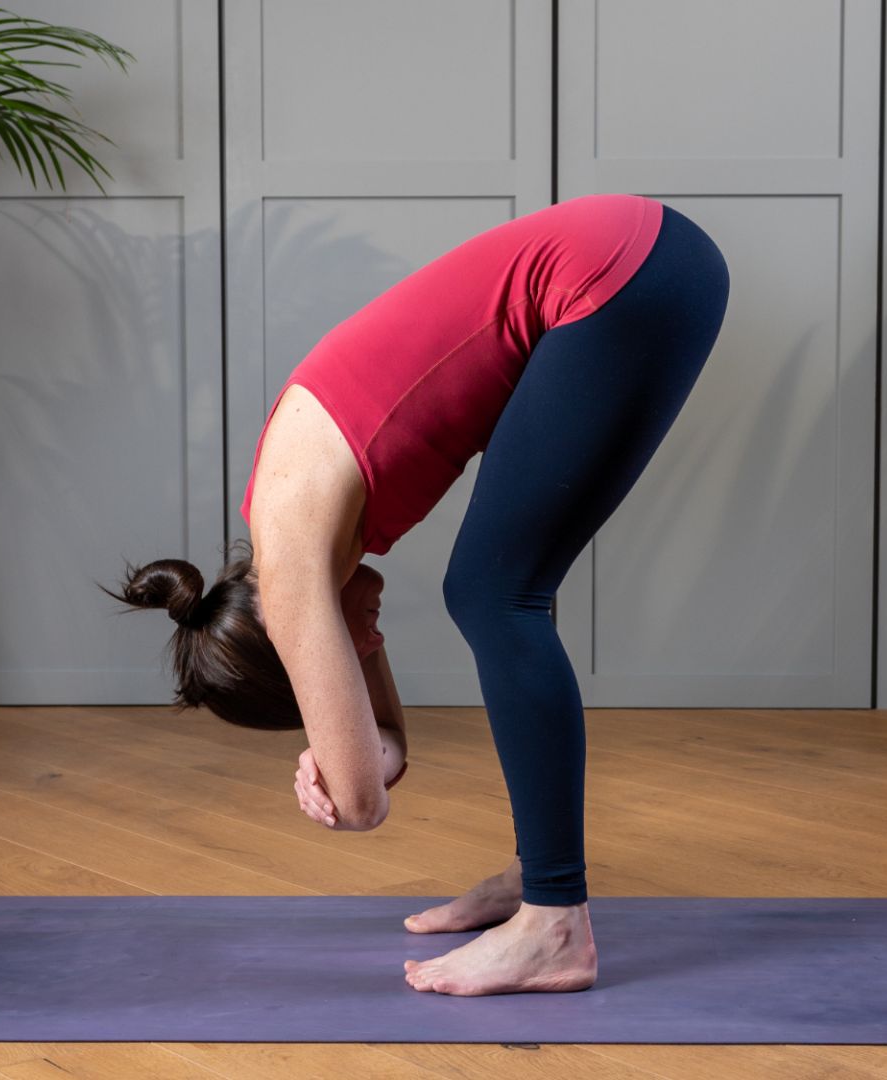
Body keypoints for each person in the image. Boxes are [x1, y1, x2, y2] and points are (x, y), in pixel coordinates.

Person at [109, 193, 730, 996]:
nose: (363, 638)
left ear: (295, 646)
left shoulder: (294, 561)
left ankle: (555, 925)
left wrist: (337, 771)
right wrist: (361, 747)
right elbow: (386, 739)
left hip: (621, 273)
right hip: (645, 259)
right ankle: (535, 876)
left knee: (493, 590)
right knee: (488, 587)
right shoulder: (299, 548)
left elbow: (364, 806)